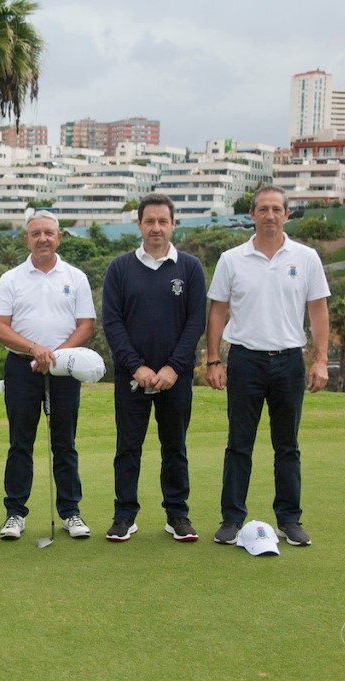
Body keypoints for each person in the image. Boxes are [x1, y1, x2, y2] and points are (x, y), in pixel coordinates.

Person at [206, 185, 330, 547]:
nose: (270, 215)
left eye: (277, 209)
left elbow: (318, 309)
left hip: (289, 360)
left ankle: (289, 520)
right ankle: (231, 519)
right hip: (245, 359)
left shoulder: (306, 257)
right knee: (238, 444)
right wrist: (213, 359)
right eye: (263, 209)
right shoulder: (232, 259)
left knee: (287, 446)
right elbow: (217, 309)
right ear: (252, 214)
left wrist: (320, 359)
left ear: (286, 214)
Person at [102, 193, 206, 543]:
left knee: (174, 446)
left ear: (173, 224)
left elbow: (195, 322)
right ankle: (124, 515)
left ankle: (177, 514)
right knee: (128, 447)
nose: (157, 227)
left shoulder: (189, 267)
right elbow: (112, 323)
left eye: (163, 221)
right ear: (140, 225)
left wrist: (174, 368)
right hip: (132, 378)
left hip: (175, 378)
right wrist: (137, 367)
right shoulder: (120, 268)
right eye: (150, 221)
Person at [0, 210, 96, 540]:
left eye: (49, 233)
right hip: (22, 368)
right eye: (36, 233)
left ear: (59, 237)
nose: (43, 239)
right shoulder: (11, 279)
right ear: (27, 239)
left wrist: (56, 357)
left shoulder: (75, 277)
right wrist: (36, 350)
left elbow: (86, 326)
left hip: (65, 370)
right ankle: (14, 514)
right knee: (20, 442)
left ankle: (71, 512)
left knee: (65, 443)